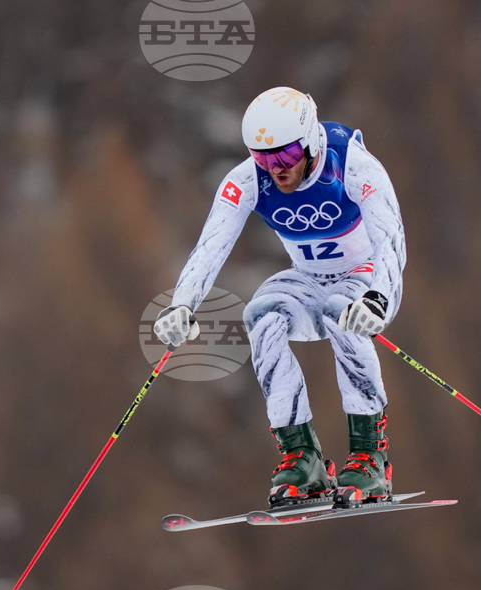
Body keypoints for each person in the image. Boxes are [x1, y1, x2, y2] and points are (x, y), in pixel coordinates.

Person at [153, 87, 406, 508]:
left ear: (309, 143)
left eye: (285, 157)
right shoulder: (247, 180)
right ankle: (301, 456)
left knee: (337, 313)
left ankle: (370, 457)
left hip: (367, 279)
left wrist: (378, 297)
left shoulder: (352, 163)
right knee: (262, 316)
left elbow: (391, 237)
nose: (275, 169)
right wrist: (183, 304)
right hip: (309, 277)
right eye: (262, 157)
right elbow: (212, 244)